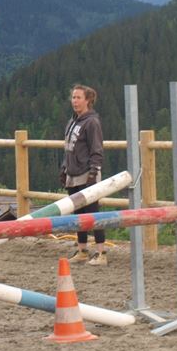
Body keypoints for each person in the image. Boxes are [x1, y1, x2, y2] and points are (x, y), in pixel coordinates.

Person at [59, 84, 107, 265]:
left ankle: (101, 252)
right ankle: (82, 250)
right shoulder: (72, 122)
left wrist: (93, 172)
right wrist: (64, 168)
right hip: (72, 173)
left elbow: (96, 149)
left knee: (93, 214)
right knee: (77, 214)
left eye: (78, 97)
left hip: (87, 173)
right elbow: (68, 149)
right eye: (73, 97)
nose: (75, 101)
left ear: (88, 100)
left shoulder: (92, 122)